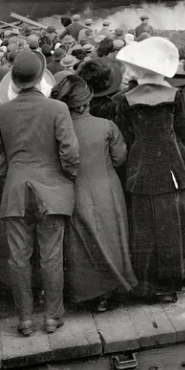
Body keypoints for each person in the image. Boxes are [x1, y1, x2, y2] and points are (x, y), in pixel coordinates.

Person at [0, 49, 79, 335]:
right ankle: (52, 316)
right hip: (52, 192)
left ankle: (25, 319)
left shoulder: (0, 111)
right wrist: (65, 177)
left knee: (19, 259)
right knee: (51, 257)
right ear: (41, 78)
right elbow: (70, 153)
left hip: (15, 191)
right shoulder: (57, 109)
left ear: (14, 80)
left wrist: (13, 174)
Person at [114, 38, 185, 302]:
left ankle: (146, 284)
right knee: (173, 224)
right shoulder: (175, 96)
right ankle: (172, 282)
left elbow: (124, 135)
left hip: (141, 166)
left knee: (144, 226)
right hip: (172, 167)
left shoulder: (124, 99)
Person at [51, 74, 136, 311]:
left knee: (81, 241)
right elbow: (119, 159)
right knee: (113, 235)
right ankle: (115, 289)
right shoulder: (106, 126)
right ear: (87, 102)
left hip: (74, 188)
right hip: (107, 186)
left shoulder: (59, 129)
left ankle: (91, 294)